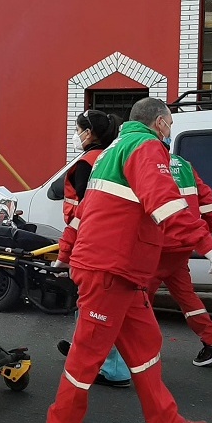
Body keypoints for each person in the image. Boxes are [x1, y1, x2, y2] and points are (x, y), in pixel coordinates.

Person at [44, 97, 212, 423]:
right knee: (88, 352)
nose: (170, 132)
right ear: (159, 123)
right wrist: (205, 242)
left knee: (145, 346)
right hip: (111, 268)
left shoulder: (112, 152)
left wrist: (67, 254)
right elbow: (164, 201)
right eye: (170, 124)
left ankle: (164, 422)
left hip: (117, 268)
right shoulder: (146, 147)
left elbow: (84, 213)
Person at [54, 110, 132, 388]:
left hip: (92, 241)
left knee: (96, 306)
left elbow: (85, 208)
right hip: (117, 242)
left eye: (77, 129)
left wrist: (66, 251)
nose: (76, 135)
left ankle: (106, 367)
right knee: (113, 307)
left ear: (88, 133)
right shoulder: (114, 157)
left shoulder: (88, 162)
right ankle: (91, 354)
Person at [150, 151, 212, 367]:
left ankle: (133, 351)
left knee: (136, 300)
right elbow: (206, 200)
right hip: (183, 244)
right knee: (187, 297)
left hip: (158, 243)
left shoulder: (147, 161)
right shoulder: (184, 164)